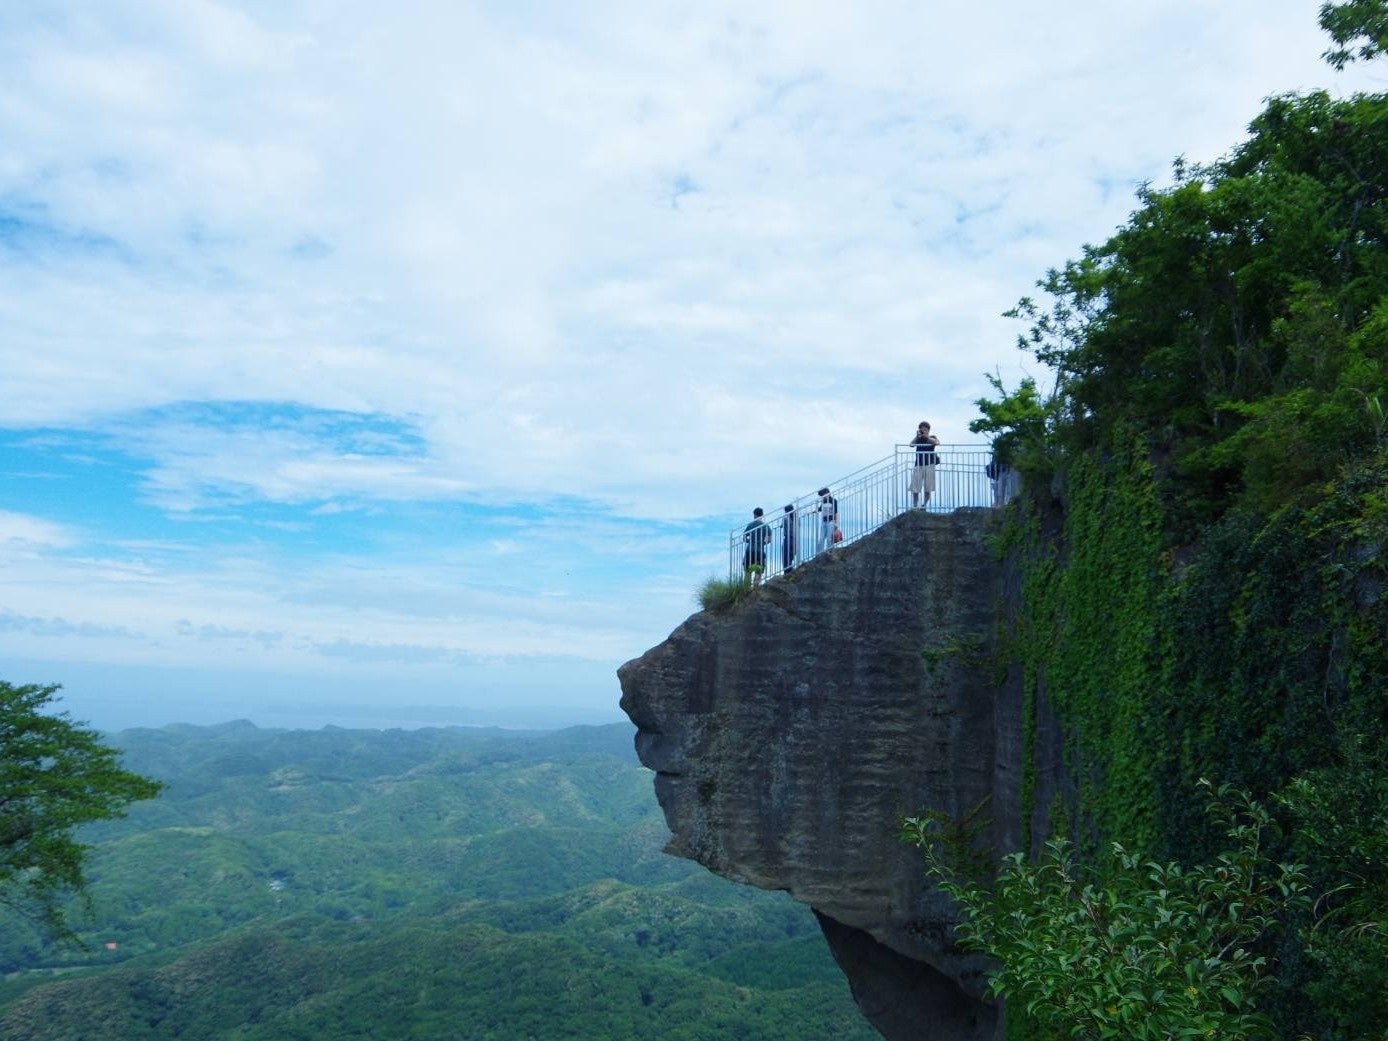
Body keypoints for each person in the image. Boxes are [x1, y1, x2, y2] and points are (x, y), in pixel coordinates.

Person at [909, 422, 941, 508]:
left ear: (928, 430)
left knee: (928, 488)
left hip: (929, 465)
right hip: (918, 465)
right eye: (922, 429)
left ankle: (924, 505)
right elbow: (911, 445)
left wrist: (926, 437)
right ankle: (915, 506)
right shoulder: (918, 439)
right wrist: (917, 436)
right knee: (915, 487)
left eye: (925, 429)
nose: (923, 431)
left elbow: (937, 443)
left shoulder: (932, 437)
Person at [743, 507, 771, 586]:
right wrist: (763, 543)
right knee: (758, 570)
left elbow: (744, 537)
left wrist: (749, 541)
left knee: (747, 570)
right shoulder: (766, 526)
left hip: (749, 550)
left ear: (754, 515)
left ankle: (746, 589)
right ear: (762, 515)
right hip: (759, 551)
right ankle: (756, 588)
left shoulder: (750, 525)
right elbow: (769, 539)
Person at [815, 487, 838, 554]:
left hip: (831, 521)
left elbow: (836, 513)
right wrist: (813, 512)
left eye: (823, 495)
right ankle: (819, 554)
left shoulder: (833, 500)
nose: (822, 497)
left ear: (827, 493)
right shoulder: (823, 501)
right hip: (824, 521)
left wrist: (836, 524)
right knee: (821, 539)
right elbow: (820, 509)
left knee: (829, 538)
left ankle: (830, 552)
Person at [780, 504, 797, 573]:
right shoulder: (796, 518)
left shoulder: (786, 518)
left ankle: (787, 571)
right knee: (790, 556)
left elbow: (782, 526)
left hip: (788, 538)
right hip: (794, 539)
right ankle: (790, 569)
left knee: (785, 556)